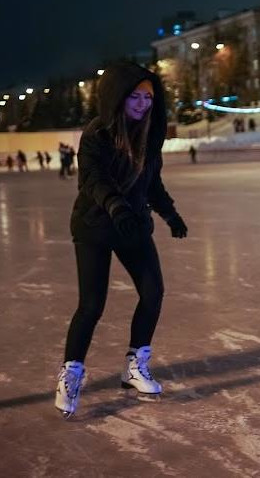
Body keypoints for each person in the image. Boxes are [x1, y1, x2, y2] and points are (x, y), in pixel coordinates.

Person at [54, 62, 188, 418]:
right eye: (135, 96)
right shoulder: (96, 134)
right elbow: (93, 180)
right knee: (91, 305)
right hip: (95, 226)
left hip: (133, 226)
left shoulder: (150, 133)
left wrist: (170, 214)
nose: (143, 104)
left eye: (148, 97)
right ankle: (71, 373)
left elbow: (152, 183)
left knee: (153, 292)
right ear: (117, 96)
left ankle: (135, 365)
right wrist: (116, 207)